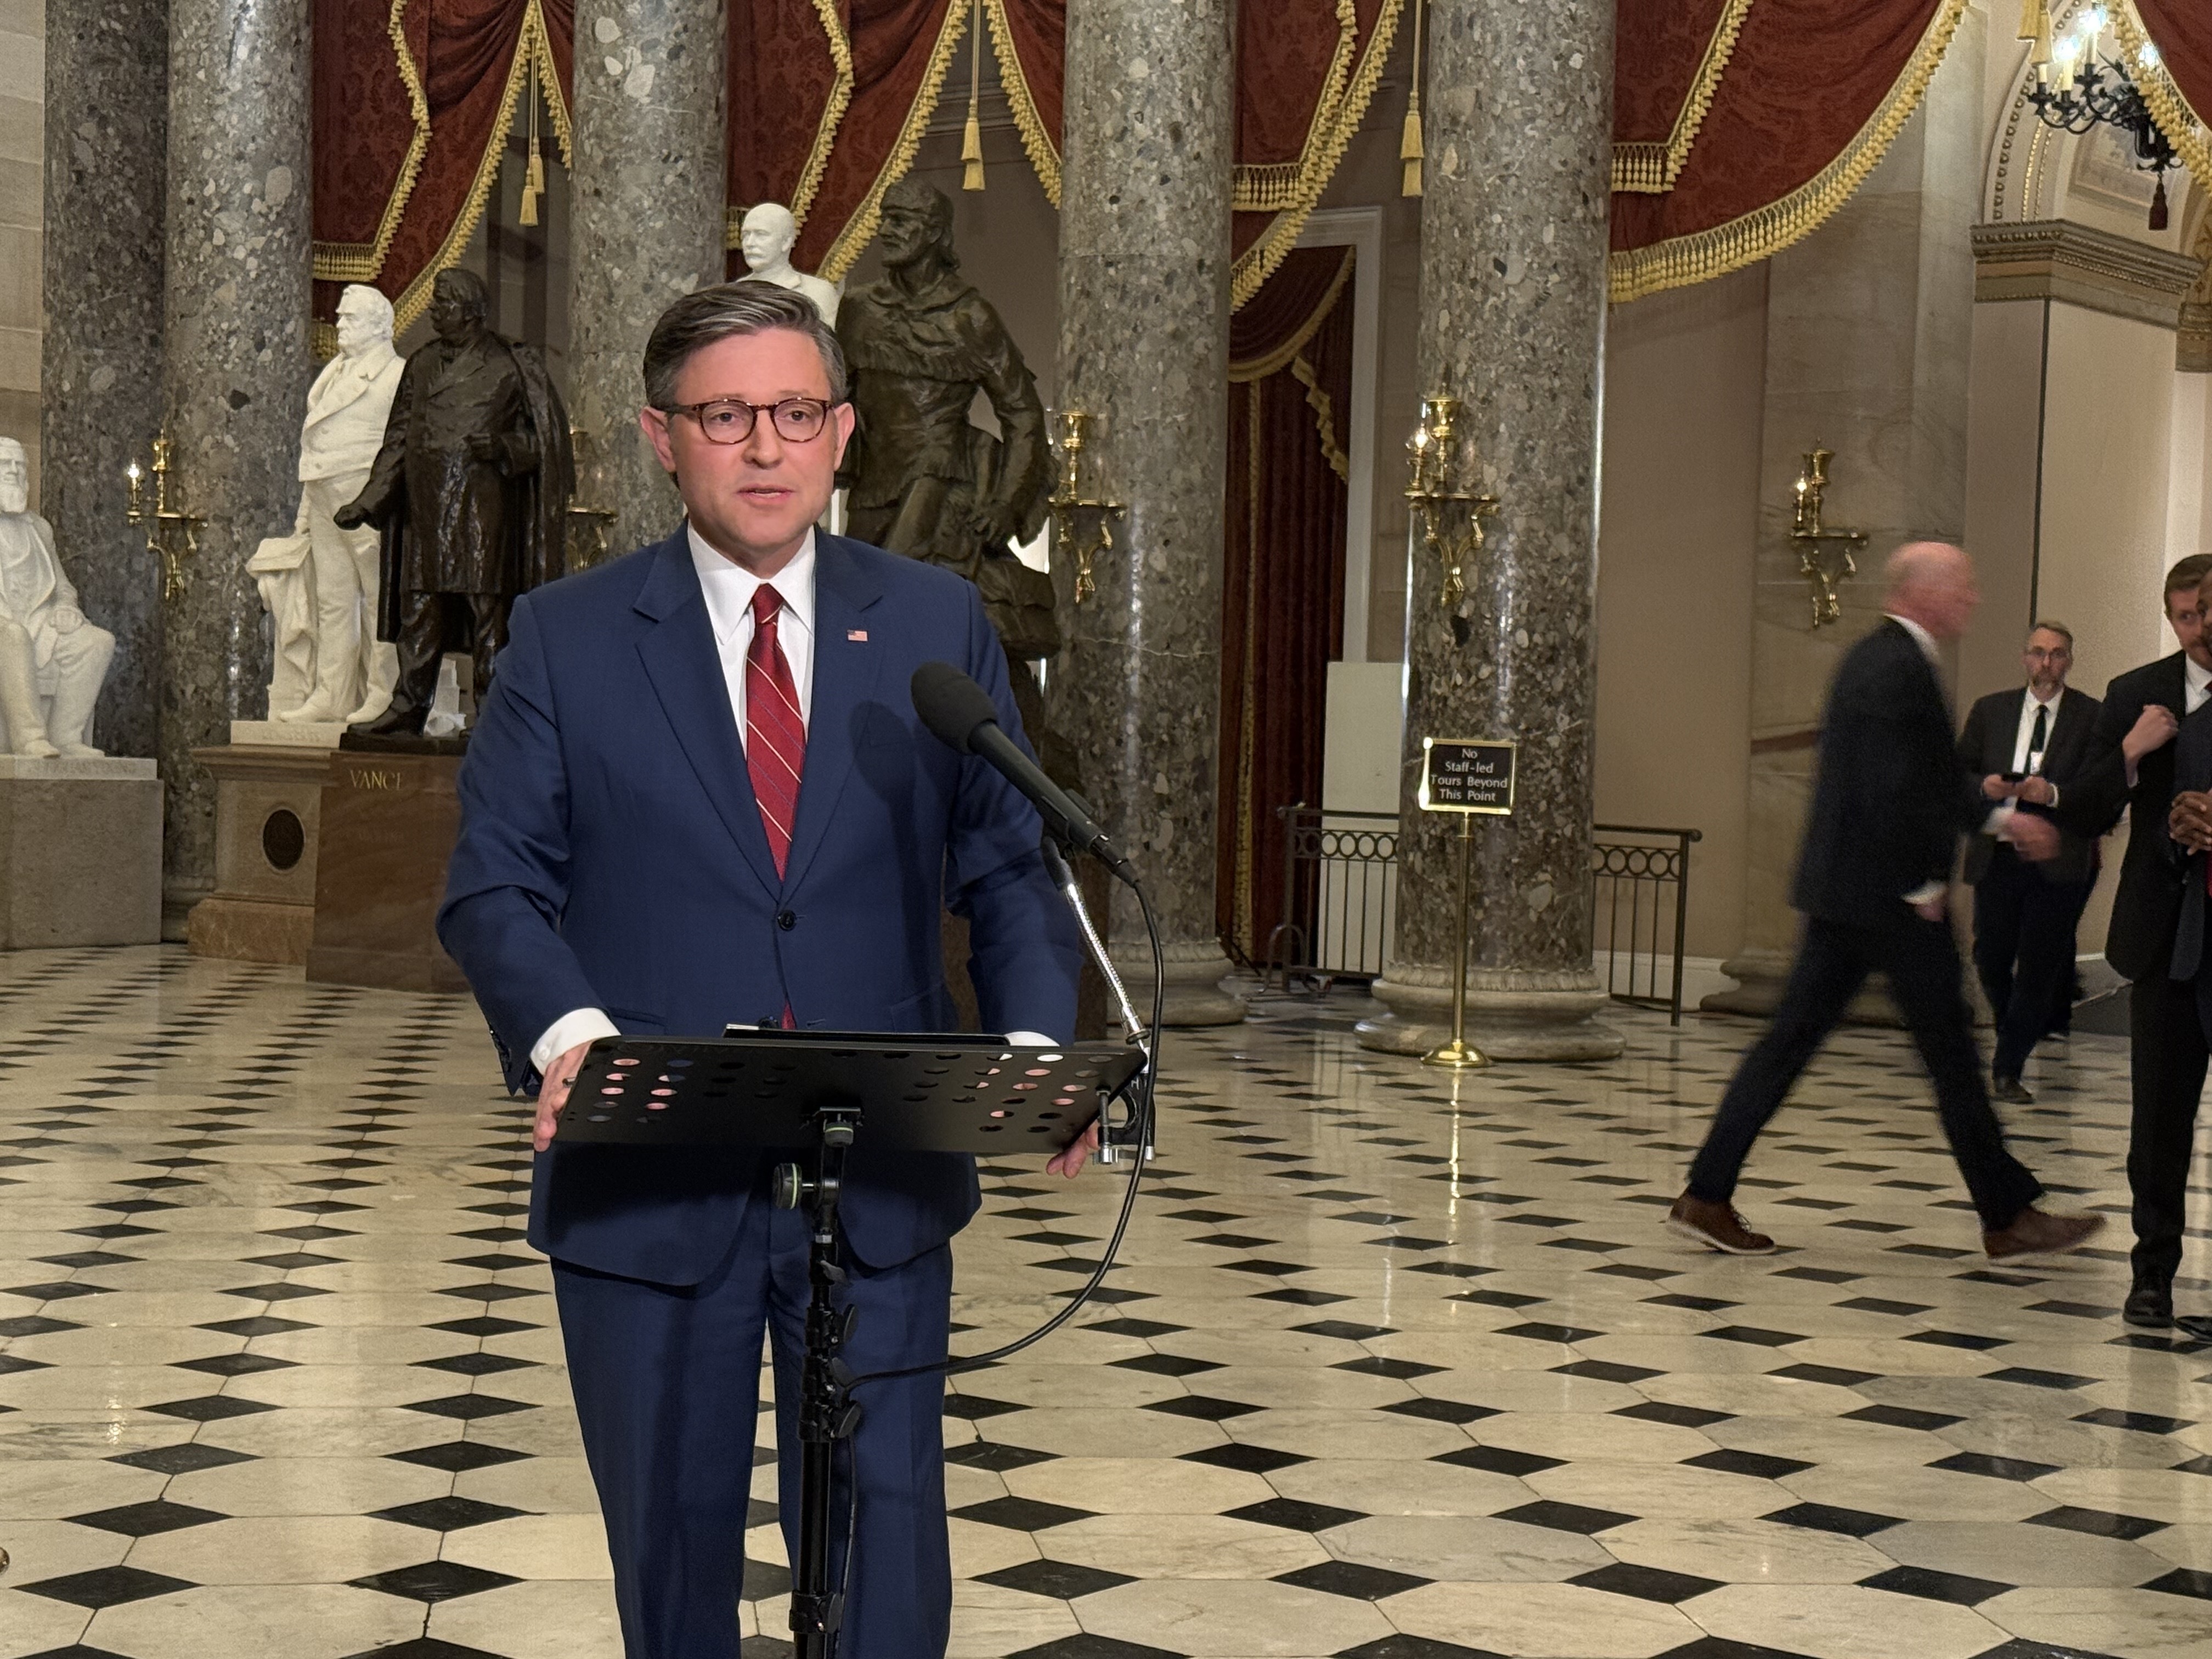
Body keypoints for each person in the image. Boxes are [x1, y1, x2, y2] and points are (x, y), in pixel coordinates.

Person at [436, 282, 1085, 1659]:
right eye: (724, 416)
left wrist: (1036, 1051)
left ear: (843, 432)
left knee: (889, 1550)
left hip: (883, 1170)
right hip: (647, 1172)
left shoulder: (934, 625)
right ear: (660, 438)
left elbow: (1009, 869)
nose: (764, 447)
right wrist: (570, 1037)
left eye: (795, 413)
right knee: (671, 1559)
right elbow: (495, 882)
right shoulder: (563, 636)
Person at [1669, 542, 2103, 1263]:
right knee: (1950, 1054)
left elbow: (1927, 778)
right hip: (1888, 901)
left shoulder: (1886, 658)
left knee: (1795, 1045)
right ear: (1924, 592)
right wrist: (1924, 884)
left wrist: (1999, 818)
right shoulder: (1896, 665)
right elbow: (1889, 790)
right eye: (1962, 586)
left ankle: (1707, 1193)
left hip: (1851, 896)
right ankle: (2007, 1215)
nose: (1974, 598)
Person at [2058, 554, 2212, 1329]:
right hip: (2165, 937)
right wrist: (2130, 754)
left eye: (2208, 612)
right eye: (2186, 615)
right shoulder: (2135, 694)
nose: (2200, 628)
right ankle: (2151, 1274)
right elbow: (2081, 810)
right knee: (2158, 1118)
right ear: (2170, 617)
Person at [336, 267, 571, 738]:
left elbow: (547, 444)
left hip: (481, 514)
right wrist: (370, 500)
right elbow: (400, 437)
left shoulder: (510, 365)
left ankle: (494, 714)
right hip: (425, 512)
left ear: (470, 312)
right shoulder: (421, 365)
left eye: (442, 304)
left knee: (488, 619)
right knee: (419, 612)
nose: (433, 312)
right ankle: (408, 707)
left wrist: (504, 447)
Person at [1956, 621, 2102, 1102]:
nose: (2046, 664)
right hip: (1998, 852)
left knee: (2039, 966)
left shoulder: (2091, 717)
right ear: (2024, 658)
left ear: (2069, 661)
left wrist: (2053, 794)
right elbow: (1960, 776)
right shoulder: (1991, 711)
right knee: (1991, 958)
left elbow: (2098, 793)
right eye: (2038, 653)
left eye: (2057, 654)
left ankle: (2007, 1067)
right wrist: (1987, 789)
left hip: (2057, 859)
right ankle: (2012, 1028)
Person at [278, 283, 405, 725]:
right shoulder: (333, 371)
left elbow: (403, 445)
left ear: (379, 326)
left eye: (349, 317)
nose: (339, 323)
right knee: (332, 597)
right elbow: (316, 438)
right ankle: (332, 695)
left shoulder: (396, 375)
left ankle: (384, 692)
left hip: (368, 496)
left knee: (378, 599)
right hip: (322, 490)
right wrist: (304, 509)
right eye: (340, 315)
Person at [0, 437, 114, 758]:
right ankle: (29, 738)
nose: (14, 472)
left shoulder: (39, 528)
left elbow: (63, 585)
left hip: (37, 624)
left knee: (97, 642)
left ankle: (65, 737)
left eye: (19, 466)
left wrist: (66, 607)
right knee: (12, 635)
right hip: (5, 627)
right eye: (5, 465)